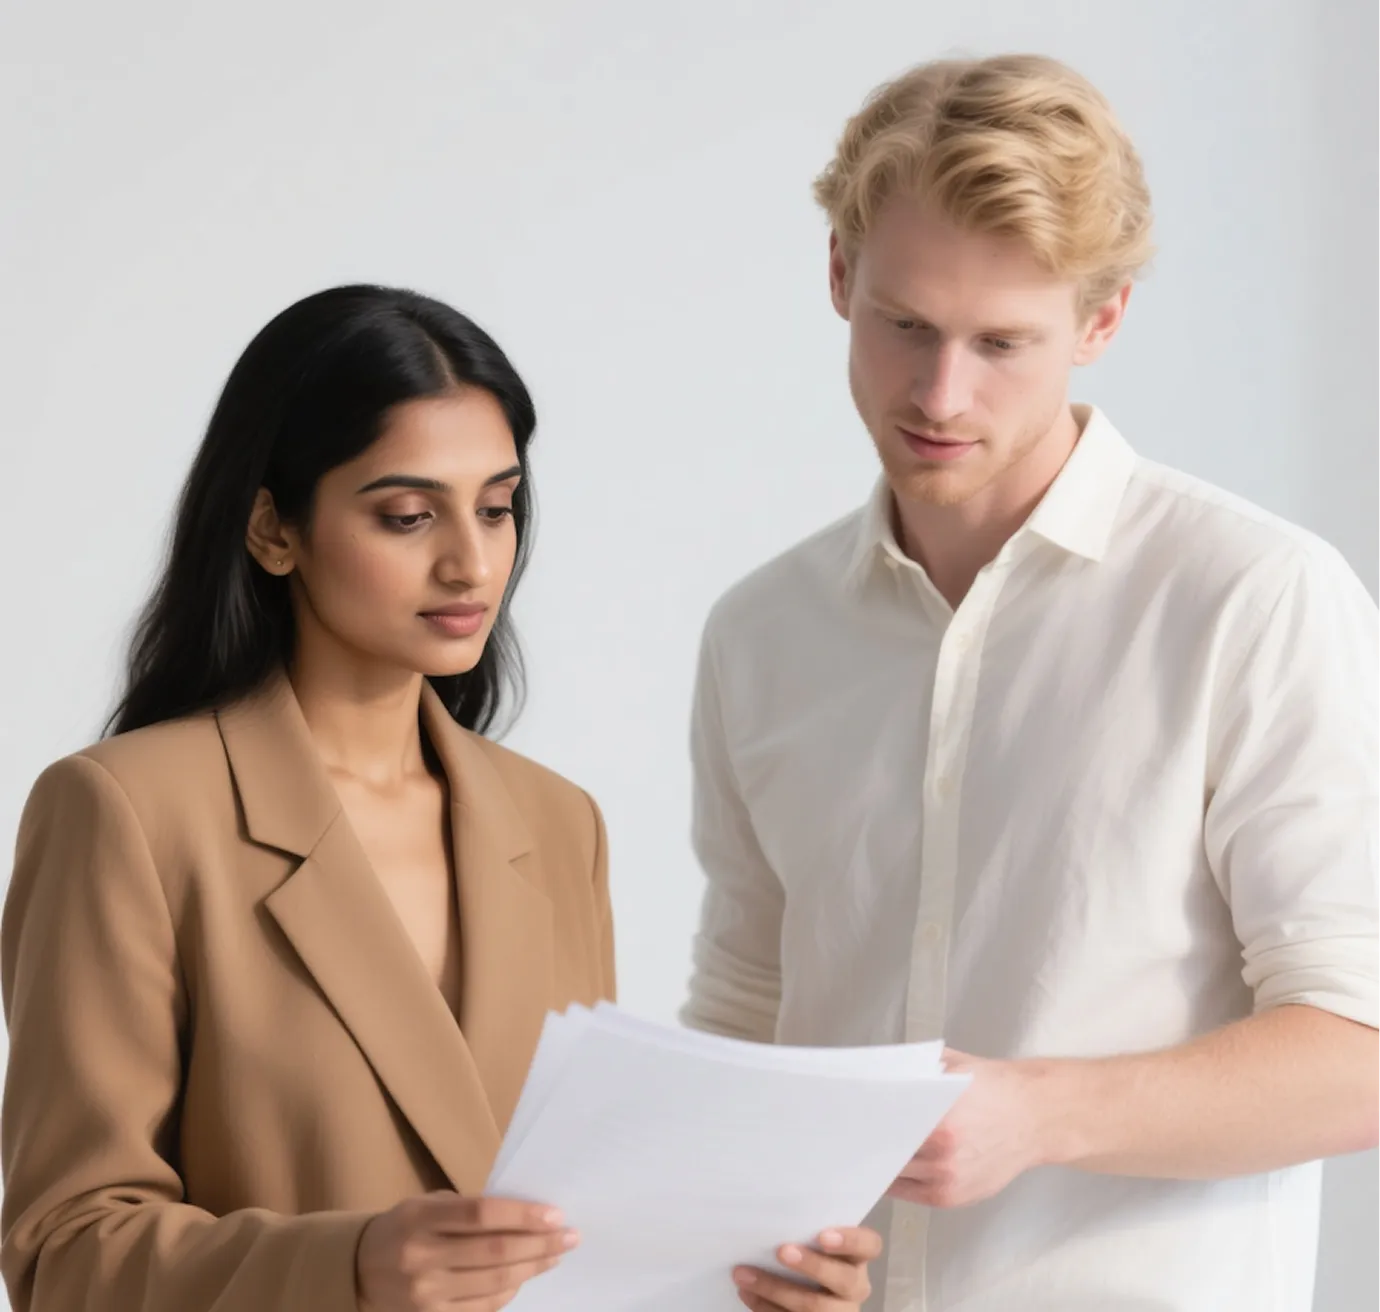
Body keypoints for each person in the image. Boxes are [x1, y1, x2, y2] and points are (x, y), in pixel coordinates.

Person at [0, 284, 880, 1312]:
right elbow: (63, 1250)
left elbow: (576, 1231)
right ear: (273, 528)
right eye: (408, 515)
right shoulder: (128, 815)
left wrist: (746, 1281)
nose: (473, 561)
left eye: (498, 507)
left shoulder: (556, 824)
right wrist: (351, 1268)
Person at [680, 52, 1380, 1312]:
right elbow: (746, 1017)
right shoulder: (760, 634)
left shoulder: (1254, 599)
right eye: (904, 325)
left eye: (1003, 342)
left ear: (1102, 322)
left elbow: (1362, 1053)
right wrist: (743, 1242)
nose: (940, 396)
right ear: (839, 276)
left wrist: (1037, 1115)